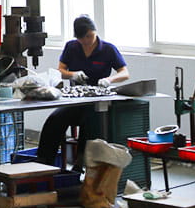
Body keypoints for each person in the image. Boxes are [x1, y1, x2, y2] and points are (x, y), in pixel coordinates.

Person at [36, 15, 129, 168]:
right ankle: (44, 163)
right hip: (75, 102)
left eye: (89, 36)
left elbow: (124, 73)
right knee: (54, 120)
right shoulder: (71, 47)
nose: (86, 41)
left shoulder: (108, 49)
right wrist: (73, 74)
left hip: (98, 104)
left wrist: (109, 80)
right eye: (82, 38)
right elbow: (60, 70)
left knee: (90, 122)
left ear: (95, 32)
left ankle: (80, 163)